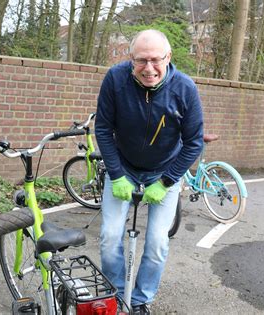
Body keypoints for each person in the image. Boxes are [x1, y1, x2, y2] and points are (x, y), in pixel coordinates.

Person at [95, 29, 204, 314]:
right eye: (141, 60)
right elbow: (104, 130)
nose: (149, 68)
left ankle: (141, 300)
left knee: (156, 243)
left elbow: (193, 143)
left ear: (168, 57)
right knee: (109, 237)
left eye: (156, 60)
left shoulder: (185, 89)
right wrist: (116, 174)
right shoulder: (115, 80)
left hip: (164, 171)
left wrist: (167, 181)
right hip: (124, 168)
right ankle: (118, 294)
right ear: (130, 59)